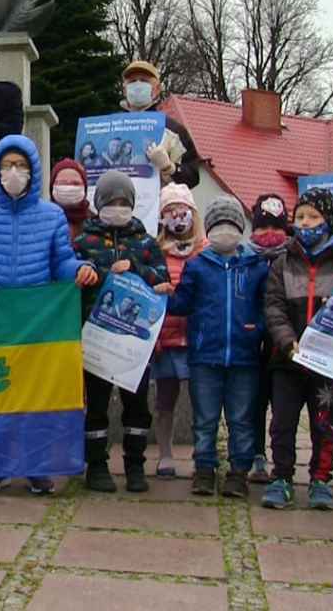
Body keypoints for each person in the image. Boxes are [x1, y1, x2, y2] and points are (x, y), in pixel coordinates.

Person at [0, 134, 99, 494]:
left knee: (35, 394)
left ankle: (37, 464)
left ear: (33, 170)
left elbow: (62, 261)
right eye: (7, 165)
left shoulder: (52, 215)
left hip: (38, 321)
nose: (14, 172)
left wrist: (80, 270)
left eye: (21, 165)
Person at [263, 188, 333, 510]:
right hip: (287, 360)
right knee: (283, 422)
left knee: (325, 423)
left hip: (327, 364)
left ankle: (320, 479)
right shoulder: (282, 263)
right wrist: (286, 340)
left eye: (314, 217)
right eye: (300, 216)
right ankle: (282, 478)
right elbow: (274, 307)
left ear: (329, 221)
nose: (306, 223)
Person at [73, 171, 168, 493]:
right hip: (96, 340)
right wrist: (99, 273)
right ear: (98, 204)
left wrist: (136, 269)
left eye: (123, 202)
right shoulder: (84, 242)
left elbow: (161, 277)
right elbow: (72, 277)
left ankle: (135, 465)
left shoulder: (144, 242)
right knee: (96, 405)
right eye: (111, 202)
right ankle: (96, 466)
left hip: (134, 344)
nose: (117, 207)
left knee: (137, 406)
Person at [169, 195, 268, 498]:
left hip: (244, 357)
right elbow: (182, 304)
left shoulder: (257, 267)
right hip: (205, 356)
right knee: (205, 418)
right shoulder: (197, 266)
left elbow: (266, 307)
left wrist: (258, 329)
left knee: (241, 418)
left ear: (241, 228)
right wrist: (161, 293)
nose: (225, 230)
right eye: (219, 224)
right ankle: (204, 469)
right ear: (209, 229)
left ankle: (238, 471)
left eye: (230, 224)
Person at [151, 182, 207, 479]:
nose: (176, 216)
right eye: (169, 211)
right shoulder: (156, 251)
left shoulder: (206, 251)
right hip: (166, 339)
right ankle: (165, 454)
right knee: (165, 400)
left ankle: (204, 453)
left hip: (199, 340)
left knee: (203, 401)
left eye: (181, 209)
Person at [246, 193, 291, 484]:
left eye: (276, 228)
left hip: (282, 345)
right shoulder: (246, 260)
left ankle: (282, 460)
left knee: (282, 406)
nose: (269, 234)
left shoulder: (292, 260)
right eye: (263, 228)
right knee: (254, 402)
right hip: (251, 343)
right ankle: (255, 455)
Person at [119, 60, 201, 188]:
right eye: (132, 81)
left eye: (144, 80)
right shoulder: (111, 127)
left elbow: (193, 177)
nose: (138, 84)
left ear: (157, 89)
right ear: (124, 90)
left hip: (159, 205)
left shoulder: (173, 130)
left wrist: (170, 167)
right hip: (120, 205)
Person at [50, 159, 91, 241]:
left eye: (75, 183)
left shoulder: (94, 223)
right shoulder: (40, 222)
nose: (68, 188)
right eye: (62, 183)